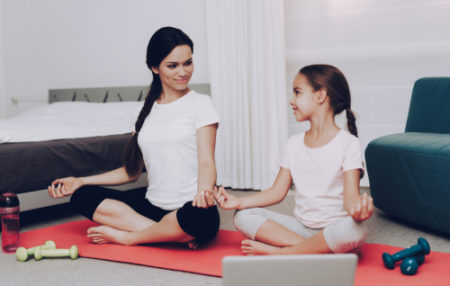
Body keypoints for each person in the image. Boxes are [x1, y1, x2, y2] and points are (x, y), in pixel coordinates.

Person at [48, 27, 220, 248]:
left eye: (188, 63)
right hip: (152, 207)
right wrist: (81, 181)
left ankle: (132, 236)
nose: (183, 72)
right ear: (154, 67)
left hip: (189, 207)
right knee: (82, 196)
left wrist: (204, 193)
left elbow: (207, 163)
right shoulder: (144, 112)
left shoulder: (201, 103)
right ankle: (169, 233)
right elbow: (132, 171)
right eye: (172, 65)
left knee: (199, 219)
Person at [214, 64, 373, 255]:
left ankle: (283, 253)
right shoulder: (293, 144)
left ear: (320, 96)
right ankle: (312, 250)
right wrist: (238, 202)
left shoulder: (349, 143)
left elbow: (351, 198)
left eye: (297, 92)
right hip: (300, 229)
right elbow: (276, 192)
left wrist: (357, 210)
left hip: (334, 230)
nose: (292, 101)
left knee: (354, 228)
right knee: (242, 216)